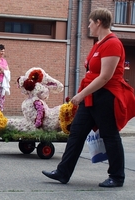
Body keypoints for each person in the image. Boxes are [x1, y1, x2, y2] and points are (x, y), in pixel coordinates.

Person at [42, 8, 135, 187]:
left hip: (106, 96)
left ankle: (117, 176)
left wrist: (80, 95)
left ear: (98, 22)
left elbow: (105, 77)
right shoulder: (98, 44)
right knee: (76, 133)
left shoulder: (113, 44)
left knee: (110, 135)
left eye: (90, 22)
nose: (89, 26)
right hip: (92, 96)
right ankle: (63, 172)